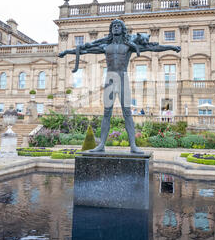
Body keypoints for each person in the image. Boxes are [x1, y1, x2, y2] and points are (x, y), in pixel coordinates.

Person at [59, 19, 181, 153]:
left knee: (127, 112)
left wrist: (172, 47)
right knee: (107, 113)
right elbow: (84, 51)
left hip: (123, 78)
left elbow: (153, 47)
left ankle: (133, 146)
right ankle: (101, 145)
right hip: (110, 79)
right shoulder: (105, 47)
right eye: (114, 26)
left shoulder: (129, 45)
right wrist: (66, 52)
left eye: (118, 26)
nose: (116, 27)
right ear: (111, 29)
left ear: (122, 29)